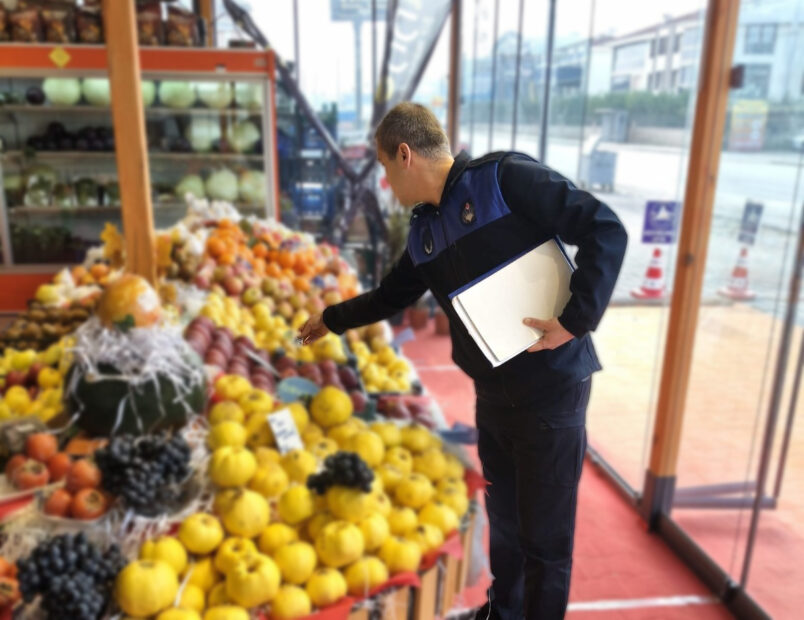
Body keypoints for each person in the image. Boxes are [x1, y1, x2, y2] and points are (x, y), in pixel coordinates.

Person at [299, 102, 628, 620]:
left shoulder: (504, 180)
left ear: (405, 155)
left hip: (551, 387)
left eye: (384, 167)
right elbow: (391, 296)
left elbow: (604, 228)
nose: (386, 182)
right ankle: (503, 612)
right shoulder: (424, 233)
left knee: (545, 539)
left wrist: (575, 320)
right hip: (494, 396)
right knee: (507, 524)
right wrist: (331, 318)